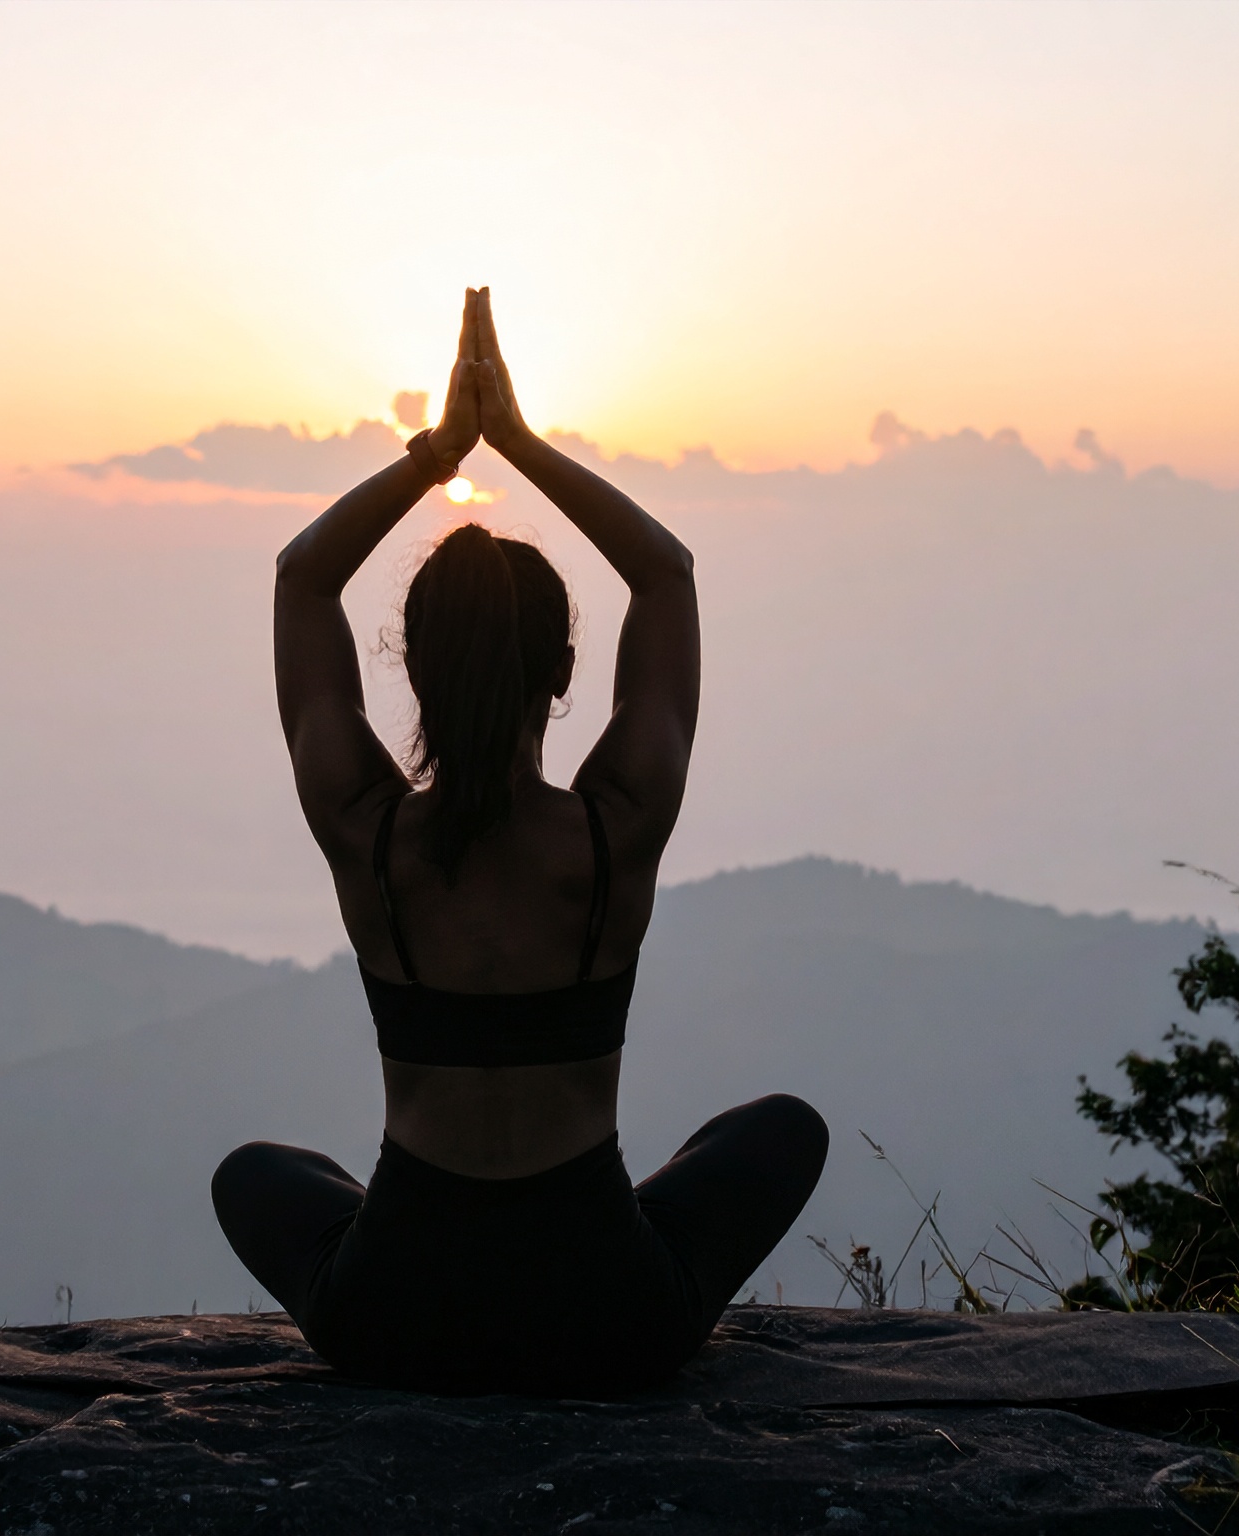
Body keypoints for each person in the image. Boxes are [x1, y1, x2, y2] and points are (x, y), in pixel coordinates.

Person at [212, 288, 827, 1396]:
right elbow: (666, 575)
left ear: (411, 671)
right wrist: (520, 444)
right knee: (783, 1130)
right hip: (606, 1314)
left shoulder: (368, 834)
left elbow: (302, 578)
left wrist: (438, 456)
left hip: (395, 1314)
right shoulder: (613, 829)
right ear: (563, 672)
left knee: (256, 1175)